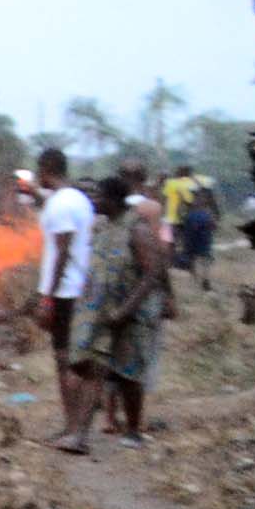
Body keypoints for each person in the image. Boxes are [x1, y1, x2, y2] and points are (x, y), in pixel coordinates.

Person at [60, 179, 166, 452]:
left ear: (114, 199)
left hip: (129, 315)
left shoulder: (137, 230)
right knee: (94, 368)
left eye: (99, 195)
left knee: (129, 376)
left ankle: (133, 430)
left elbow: (153, 273)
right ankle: (80, 437)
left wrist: (125, 310)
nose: (94, 200)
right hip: (102, 315)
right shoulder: (103, 228)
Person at [32, 146, 94, 435]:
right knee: (74, 360)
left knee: (64, 360)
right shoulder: (77, 199)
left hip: (66, 292)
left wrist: (48, 297)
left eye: (38, 171)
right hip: (78, 288)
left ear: (45, 169)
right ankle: (73, 426)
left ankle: (73, 428)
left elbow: (61, 251)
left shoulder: (60, 205)